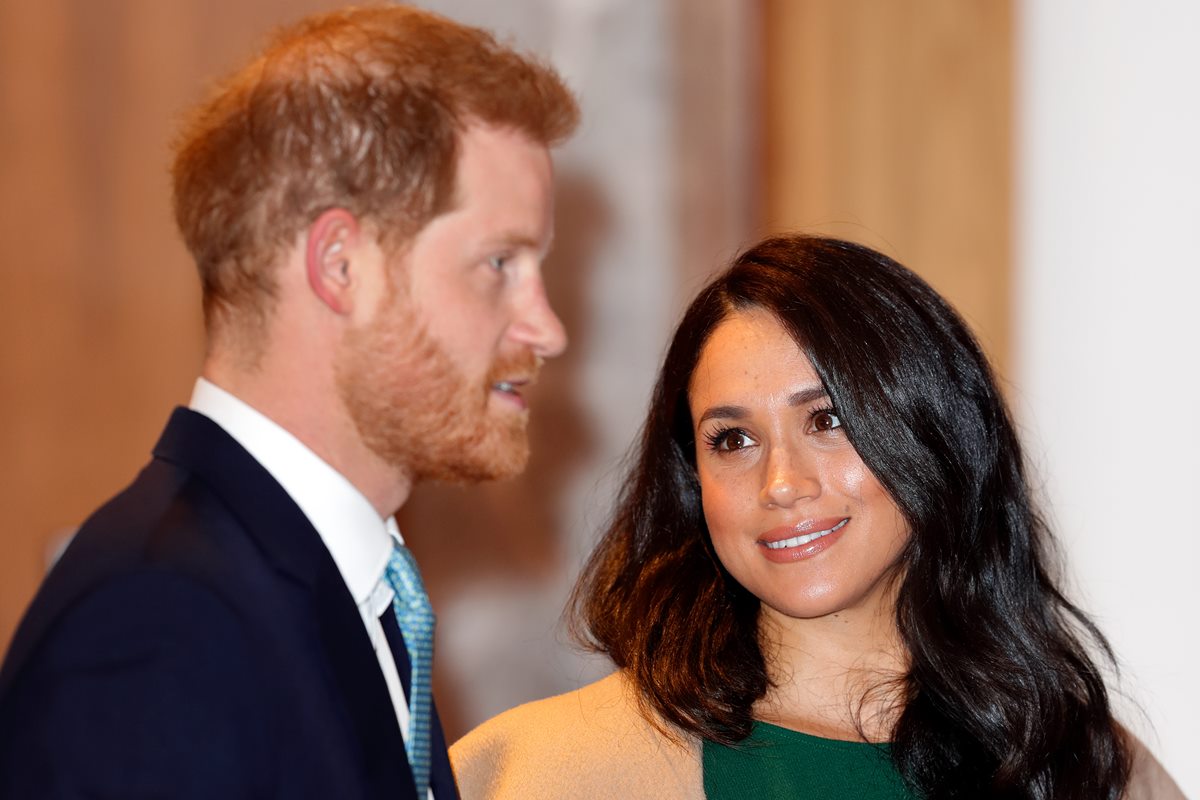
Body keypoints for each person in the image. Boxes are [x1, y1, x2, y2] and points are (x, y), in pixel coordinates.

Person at [0, 6, 577, 799]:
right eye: (499, 262)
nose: (547, 330)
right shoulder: (157, 629)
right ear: (341, 266)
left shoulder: (349, 585)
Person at [450, 235, 1185, 799]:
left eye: (828, 420)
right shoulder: (541, 771)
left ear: (936, 434)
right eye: (732, 440)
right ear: (691, 480)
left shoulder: (1089, 770)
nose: (781, 482)